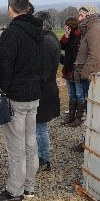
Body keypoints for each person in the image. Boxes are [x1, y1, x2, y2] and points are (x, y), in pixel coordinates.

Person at [0, 0, 43, 201]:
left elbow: (6, 68)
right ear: (27, 7)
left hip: (17, 97)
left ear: (10, 8)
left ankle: (14, 191)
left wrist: (1, 88)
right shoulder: (39, 31)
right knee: (31, 143)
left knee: (16, 147)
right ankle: (29, 186)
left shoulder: (11, 33)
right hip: (34, 94)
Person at [68, 4, 100, 129]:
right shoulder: (90, 29)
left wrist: (83, 74)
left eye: (81, 15)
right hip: (88, 75)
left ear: (90, 15)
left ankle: (92, 141)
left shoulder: (94, 30)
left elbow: (94, 57)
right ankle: (90, 140)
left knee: (92, 111)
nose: (79, 19)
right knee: (90, 110)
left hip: (90, 76)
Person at [33, 11, 60, 172]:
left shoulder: (45, 42)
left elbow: (43, 71)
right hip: (49, 88)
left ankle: (43, 158)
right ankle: (43, 156)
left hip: (43, 90)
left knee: (39, 127)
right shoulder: (52, 37)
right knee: (40, 126)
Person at [60, 16, 82, 126]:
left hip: (76, 69)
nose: (65, 28)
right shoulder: (69, 37)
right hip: (68, 68)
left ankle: (78, 117)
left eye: (67, 26)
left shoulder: (79, 36)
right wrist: (66, 36)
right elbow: (61, 46)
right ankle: (71, 116)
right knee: (71, 93)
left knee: (79, 94)